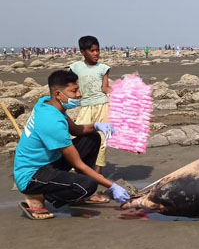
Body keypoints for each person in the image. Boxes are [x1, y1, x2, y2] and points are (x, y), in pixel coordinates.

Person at [13, 70, 131, 219]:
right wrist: (112, 186)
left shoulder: (47, 103)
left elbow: (75, 130)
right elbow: (79, 164)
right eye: (74, 91)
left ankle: (78, 192)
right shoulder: (51, 122)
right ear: (58, 94)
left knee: (92, 138)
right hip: (31, 175)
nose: (79, 94)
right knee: (89, 185)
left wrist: (96, 125)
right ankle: (37, 196)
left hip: (49, 163)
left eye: (78, 89)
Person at [69, 35, 112, 174]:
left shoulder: (103, 68)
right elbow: (70, 84)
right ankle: (78, 168)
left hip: (102, 106)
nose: (96, 54)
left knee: (103, 141)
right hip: (86, 107)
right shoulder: (75, 67)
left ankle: (97, 172)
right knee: (79, 136)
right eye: (92, 51)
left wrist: (125, 90)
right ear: (82, 52)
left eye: (98, 50)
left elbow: (105, 88)